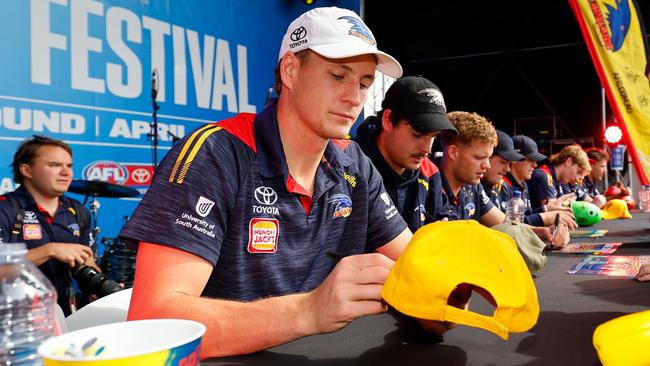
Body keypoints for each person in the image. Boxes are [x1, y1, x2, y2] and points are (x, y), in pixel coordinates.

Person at [120, 7, 464, 358]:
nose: (355, 97)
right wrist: (309, 310)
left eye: (364, 83)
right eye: (337, 75)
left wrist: (438, 298)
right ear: (291, 70)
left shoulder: (354, 163)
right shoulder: (214, 153)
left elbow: (415, 264)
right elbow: (153, 319)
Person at [0, 135, 98, 316]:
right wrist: (49, 250)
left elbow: (89, 262)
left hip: (64, 317)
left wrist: (96, 283)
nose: (66, 172)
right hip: (13, 319)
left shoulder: (78, 211)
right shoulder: (4, 209)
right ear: (26, 170)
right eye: (54, 165)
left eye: (69, 166)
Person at [354, 76, 457, 231]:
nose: (427, 149)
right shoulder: (348, 165)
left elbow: (446, 221)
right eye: (417, 134)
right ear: (388, 120)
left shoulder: (429, 172)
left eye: (433, 136)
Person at [435, 111, 506, 227]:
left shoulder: (473, 184)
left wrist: (538, 231)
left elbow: (504, 224)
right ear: (453, 152)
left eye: (489, 157)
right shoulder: (426, 184)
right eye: (479, 157)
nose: (487, 165)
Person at [500, 135, 577, 229]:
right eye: (531, 159)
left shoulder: (523, 184)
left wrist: (547, 208)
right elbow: (510, 226)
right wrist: (545, 217)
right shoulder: (502, 184)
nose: (535, 165)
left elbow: (526, 217)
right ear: (515, 159)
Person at [527, 144, 589, 212]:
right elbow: (554, 212)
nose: (578, 179)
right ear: (569, 161)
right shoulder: (544, 175)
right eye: (578, 171)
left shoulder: (559, 179)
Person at [480, 129, 525, 211]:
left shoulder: (500, 185)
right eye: (503, 162)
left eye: (509, 163)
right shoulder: (471, 187)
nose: (508, 169)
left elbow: (508, 222)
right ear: (487, 156)